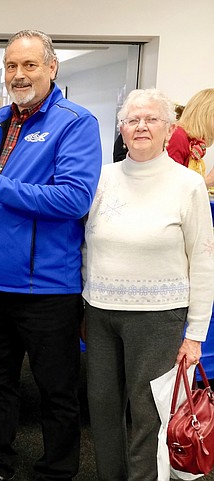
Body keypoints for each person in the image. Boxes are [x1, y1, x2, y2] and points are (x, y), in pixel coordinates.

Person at [0, 30, 102, 481]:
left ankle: (57, 470)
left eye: (29, 65)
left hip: (48, 288)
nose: (19, 74)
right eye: (11, 66)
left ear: (52, 68)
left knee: (57, 391)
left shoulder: (76, 122)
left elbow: (73, 200)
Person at [82, 88, 214, 481]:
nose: (141, 126)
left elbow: (204, 260)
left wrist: (195, 334)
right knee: (102, 409)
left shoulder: (186, 184)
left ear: (168, 128)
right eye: (132, 120)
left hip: (159, 319)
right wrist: (83, 308)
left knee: (150, 416)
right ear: (121, 129)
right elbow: (85, 248)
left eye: (151, 119)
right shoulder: (100, 179)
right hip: (102, 313)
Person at [166, 88, 214, 186]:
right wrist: (207, 181)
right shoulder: (178, 136)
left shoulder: (195, 143)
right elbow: (170, 185)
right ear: (206, 115)